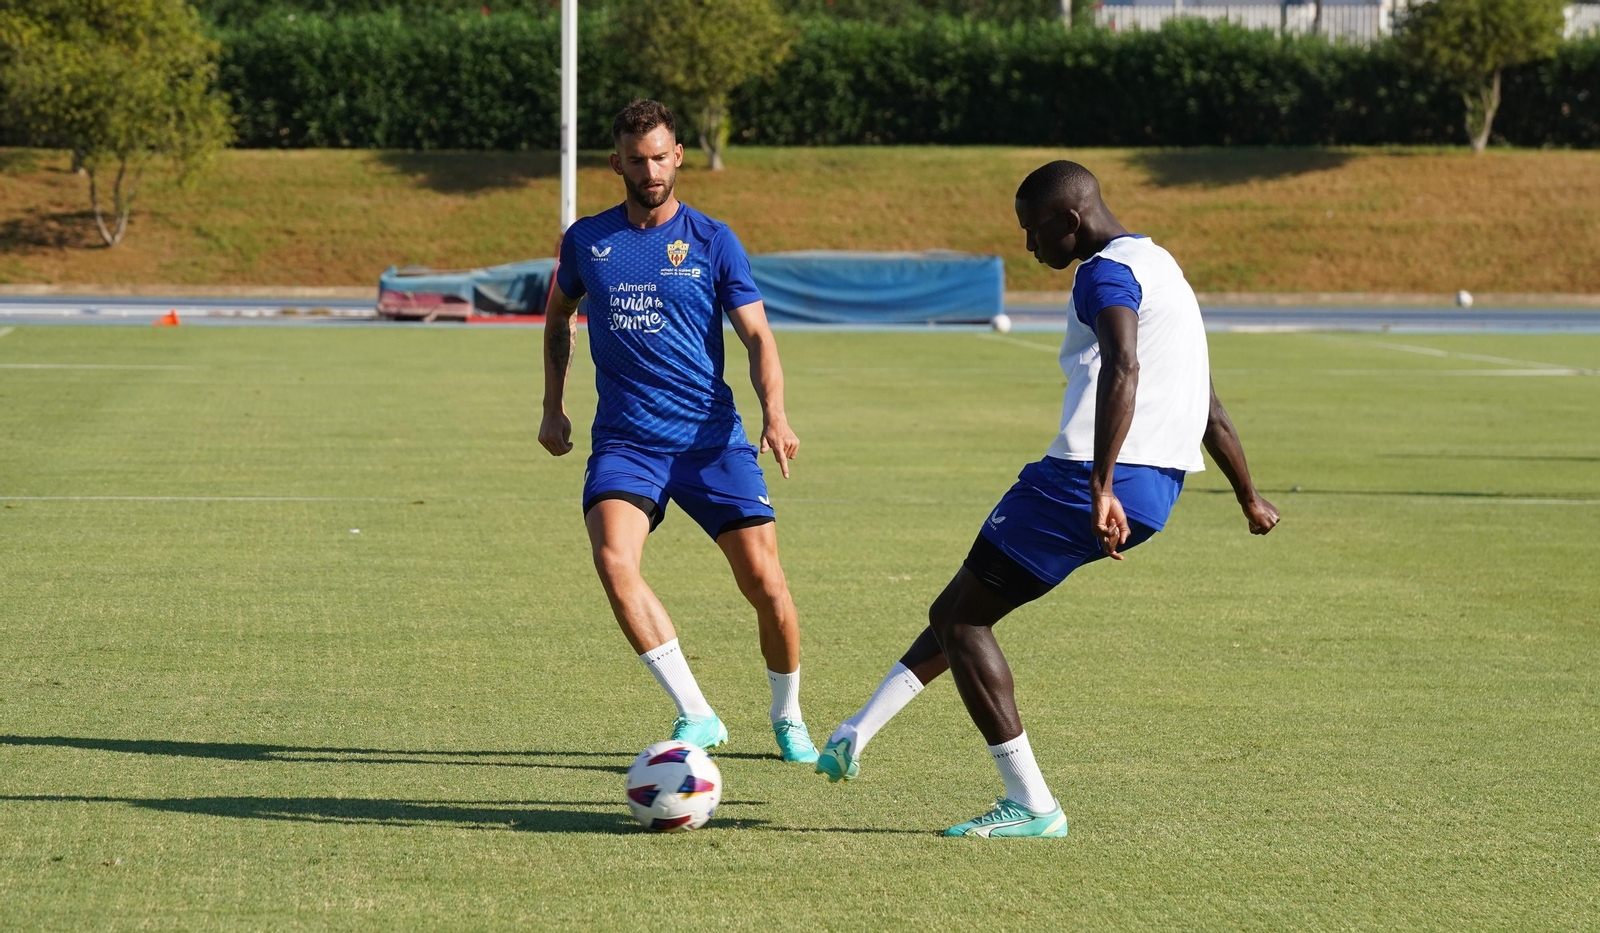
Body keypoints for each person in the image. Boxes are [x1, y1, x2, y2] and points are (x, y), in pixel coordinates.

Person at [815, 160, 1281, 836]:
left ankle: (1032, 803)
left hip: (1085, 482)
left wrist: (1098, 485)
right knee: (958, 611)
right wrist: (1248, 494)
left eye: (1033, 230)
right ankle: (858, 730)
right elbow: (1205, 400)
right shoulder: (1163, 266)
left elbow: (1125, 364)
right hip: (1156, 490)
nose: (1029, 246)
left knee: (965, 623)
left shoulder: (1104, 274)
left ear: (1070, 220)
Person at [539, 99, 817, 763]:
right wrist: (553, 405)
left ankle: (788, 715)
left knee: (767, 586)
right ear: (617, 164)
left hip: (710, 440)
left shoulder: (714, 240)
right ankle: (696, 711)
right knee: (614, 560)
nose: (651, 169)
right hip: (627, 443)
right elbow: (556, 319)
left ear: (679, 155)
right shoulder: (587, 241)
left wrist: (775, 413)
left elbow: (757, 336)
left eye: (661, 156)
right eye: (638, 160)